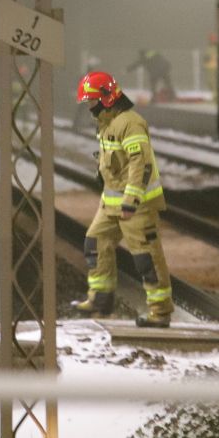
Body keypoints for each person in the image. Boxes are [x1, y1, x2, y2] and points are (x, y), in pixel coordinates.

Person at [70, 69, 173, 327]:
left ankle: (160, 313)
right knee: (96, 242)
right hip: (111, 203)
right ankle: (100, 299)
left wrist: (131, 200)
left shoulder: (130, 122)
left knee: (146, 258)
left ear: (106, 98)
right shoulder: (107, 124)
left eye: (92, 102)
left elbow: (140, 163)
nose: (90, 107)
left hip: (135, 205)